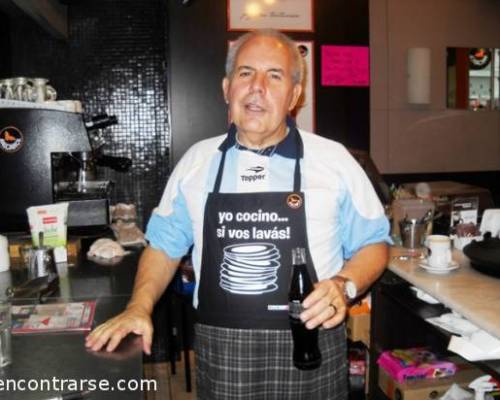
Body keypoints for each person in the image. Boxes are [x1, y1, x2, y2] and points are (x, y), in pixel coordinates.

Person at [86, 28, 390, 399]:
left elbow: (374, 243)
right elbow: (164, 246)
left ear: (295, 94)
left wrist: (344, 286)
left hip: (312, 340)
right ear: (227, 88)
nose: (257, 87)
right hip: (222, 348)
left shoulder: (333, 159)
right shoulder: (198, 161)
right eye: (246, 73)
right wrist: (138, 307)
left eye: (274, 75)